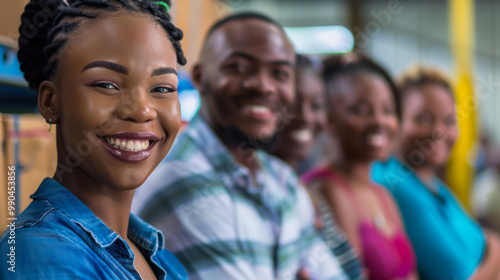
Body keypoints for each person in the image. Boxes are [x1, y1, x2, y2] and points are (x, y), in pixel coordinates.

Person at [133, 12, 347, 280]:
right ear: (200, 78)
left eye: (279, 73)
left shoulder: (281, 178)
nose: (263, 86)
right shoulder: (186, 180)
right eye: (239, 68)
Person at [0, 0, 188, 279]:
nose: (142, 110)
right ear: (51, 101)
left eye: (162, 88)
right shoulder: (43, 253)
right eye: (106, 84)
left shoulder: (161, 257)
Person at [372, 66, 500, 280]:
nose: (439, 131)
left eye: (449, 121)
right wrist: (495, 250)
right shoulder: (394, 183)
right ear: (396, 121)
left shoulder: (433, 186)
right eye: (423, 119)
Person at [302, 53, 418, 280]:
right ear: (327, 118)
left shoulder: (381, 193)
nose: (380, 121)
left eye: (388, 110)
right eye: (361, 110)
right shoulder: (326, 189)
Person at [270, 54, 364, 280]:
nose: (306, 117)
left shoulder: (305, 193)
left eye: (317, 105)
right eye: (292, 105)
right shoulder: (267, 197)